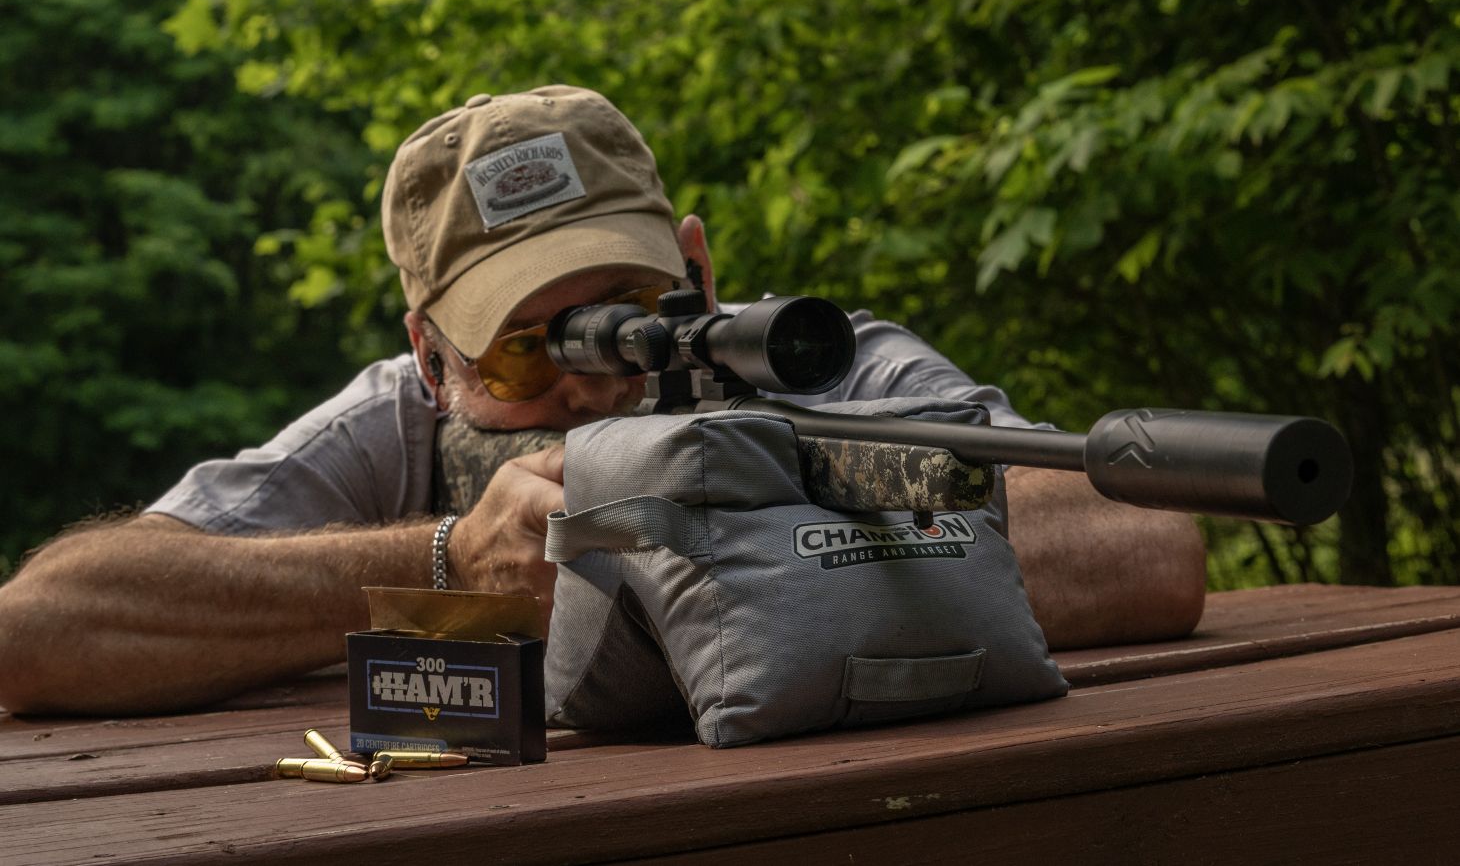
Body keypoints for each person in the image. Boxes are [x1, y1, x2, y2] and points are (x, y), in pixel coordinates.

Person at [0, 86, 1206, 716]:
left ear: (699, 273)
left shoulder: (801, 363)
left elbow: (1141, 542)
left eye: (635, 311)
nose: (590, 381)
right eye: (521, 353)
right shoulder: (395, 429)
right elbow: (39, 631)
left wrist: (722, 534)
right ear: (431, 358)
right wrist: (446, 563)